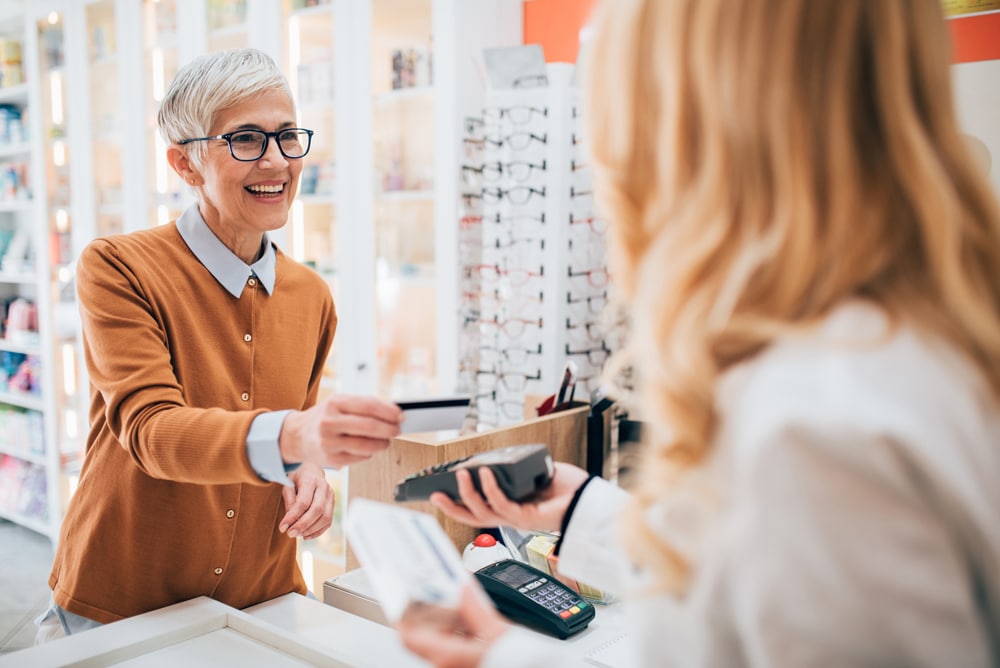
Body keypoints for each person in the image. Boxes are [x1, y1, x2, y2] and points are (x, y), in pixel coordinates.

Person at [398, 0, 1000, 666]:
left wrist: (501, 657)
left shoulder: (815, 428)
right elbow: (761, 568)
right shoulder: (907, 340)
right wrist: (587, 515)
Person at [37, 48, 404, 640]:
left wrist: (309, 466)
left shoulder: (311, 295)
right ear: (185, 166)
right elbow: (152, 431)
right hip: (120, 607)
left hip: (260, 602)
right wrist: (294, 438)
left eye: (288, 136)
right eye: (246, 140)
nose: (278, 161)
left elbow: (299, 426)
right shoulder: (118, 267)